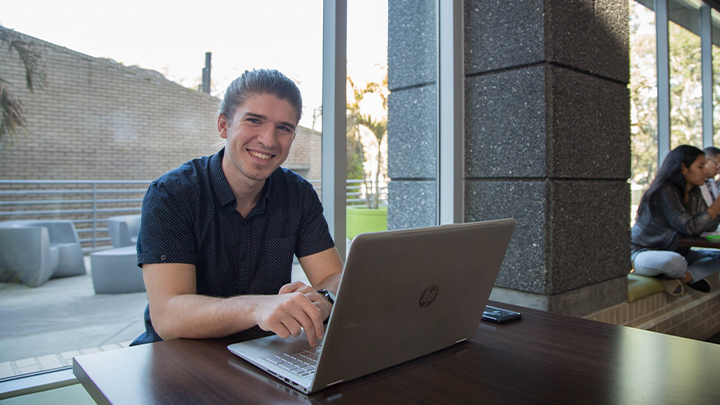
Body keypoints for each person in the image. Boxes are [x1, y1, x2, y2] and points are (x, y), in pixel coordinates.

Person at [131, 69, 343, 347]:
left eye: (283, 128)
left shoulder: (298, 194)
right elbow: (168, 317)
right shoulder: (171, 194)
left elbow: (333, 276)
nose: (268, 140)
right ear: (223, 125)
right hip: (179, 359)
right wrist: (257, 307)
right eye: (254, 121)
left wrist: (326, 299)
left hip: (264, 354)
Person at [632, 145, 720, 295]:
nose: (706, 171)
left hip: (676, 251)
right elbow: (689, 227)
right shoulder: (665, 191)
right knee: (675, 262)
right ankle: (684, 275)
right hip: (644, 253)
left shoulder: (694, 192)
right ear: (684, 168)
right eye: (700, 166)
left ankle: (684, 278)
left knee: (686, 259)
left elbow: (709, 226)